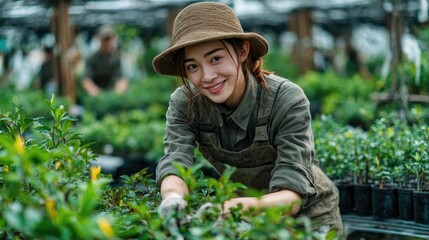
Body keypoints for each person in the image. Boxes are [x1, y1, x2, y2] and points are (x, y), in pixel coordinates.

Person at [152, 2, 344, 238]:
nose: (208, 77)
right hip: (241, 212)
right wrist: (172, 197)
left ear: (242, 52)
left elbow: (292, 194)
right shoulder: (185, 103)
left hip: (309, 217)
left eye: (215, 58)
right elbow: (176, 161)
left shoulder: (286, 99)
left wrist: (230, 208)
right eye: (193, 66)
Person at [82, 25, 128, 96]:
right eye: (105, 39)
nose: (107, 42)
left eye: (109, 39)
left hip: (112, 92)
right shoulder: (92, 58)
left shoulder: (116, 58)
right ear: (99, 40)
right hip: (96, 93)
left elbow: (121, 79)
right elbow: (86, 80)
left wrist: (118, 93)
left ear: (113, 39)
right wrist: (95, 92)